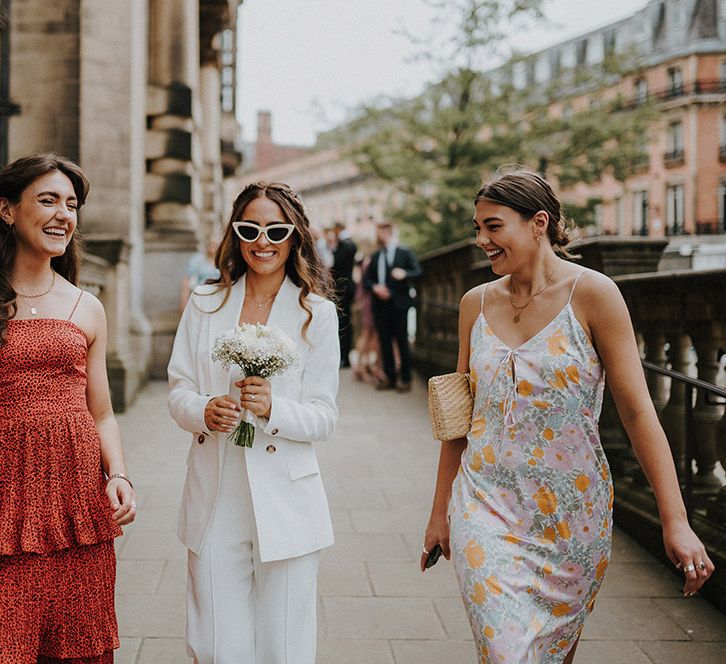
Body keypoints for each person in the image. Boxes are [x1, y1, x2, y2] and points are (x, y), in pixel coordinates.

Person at [421, 169, 714, 663]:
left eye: (493, 227)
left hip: (571, 516)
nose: (481, 241)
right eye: (478, 228)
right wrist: (439, 512)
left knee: (549, 655)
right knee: (506, 652)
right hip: (485, 505)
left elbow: (640, 412)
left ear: (538, 223)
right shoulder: (475, 303)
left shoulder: (595, 295)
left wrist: (676, 520)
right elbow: (458, 415)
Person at [167, 181, 340, 664]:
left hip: (287, 496)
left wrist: (272, 410)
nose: (262, 242)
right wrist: (203, 409)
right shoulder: (205, 303)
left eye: (276, 230)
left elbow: (325, 416)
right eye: (250, 229)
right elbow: (178, 388)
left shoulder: (316, 315)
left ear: (294, 236)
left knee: (284, 644)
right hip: (215, 493)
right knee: (217, 642)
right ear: (235, 235)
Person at [0, 153, 136, 663]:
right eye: (48, 200)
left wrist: (118, 474)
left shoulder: (87, 305)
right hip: (8, 502)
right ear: (7, 210)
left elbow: (101, 412)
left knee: (78, 649)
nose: (63, 214)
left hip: (78, 505)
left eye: (72, 204)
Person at [363, 222, 422, 392]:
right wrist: (375, 288)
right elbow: (367, 280)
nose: (377, 236)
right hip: (380, 306)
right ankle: (389, 377)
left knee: (402, 342)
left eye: (379, 232)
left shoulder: (404, 252)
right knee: (385, 342)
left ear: (388, 232)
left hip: (399, 304)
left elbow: (418, 271)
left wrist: (404, 274)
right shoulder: (375, 256)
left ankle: (406, 378)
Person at [330, 221, 358, 368]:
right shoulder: (346, 244)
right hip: (344, 288)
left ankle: (344, 357)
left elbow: (338, 263)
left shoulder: (346, 245)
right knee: (343, 323)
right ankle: (344, 357)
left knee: (343, 323)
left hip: (344, 289)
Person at [180, 232, 221, 309]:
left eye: (217, 245)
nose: (215, 247)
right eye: (213, 244)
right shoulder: (198, 259)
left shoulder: (224, 261)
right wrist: (184, 301)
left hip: (218, 298)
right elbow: (187, 280)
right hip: (201, 297)